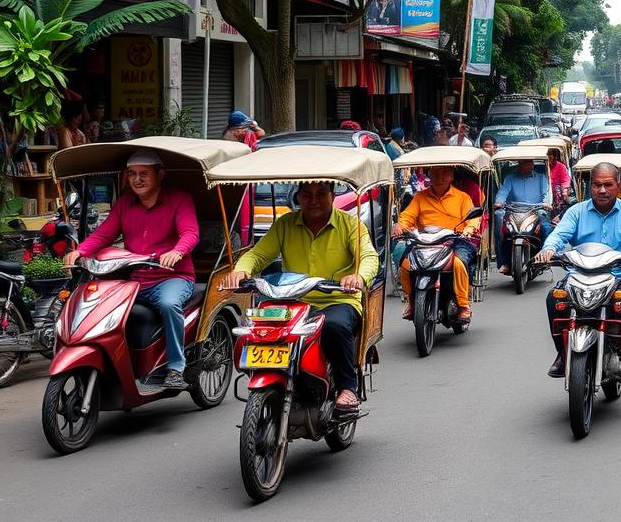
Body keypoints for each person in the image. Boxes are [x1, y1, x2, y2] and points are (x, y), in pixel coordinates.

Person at [224, 182, 377, 413]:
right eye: (307, 194)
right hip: (293, 301)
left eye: (320, 194)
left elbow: (369, 257)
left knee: (334, 326)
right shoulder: (285, 224)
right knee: (260, 325)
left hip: (337, 300)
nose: (313, 200)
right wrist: (241, 270)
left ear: (332, 196)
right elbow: (257, 254)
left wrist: (358, 277)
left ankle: (347, 387)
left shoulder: (351, 225)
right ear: (299, 196)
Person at [63, 150, 199, 390]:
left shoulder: (180, 199)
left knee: (169, 305)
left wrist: (176, 252)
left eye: (144, 174)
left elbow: (190, 233)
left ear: (160, 175)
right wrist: (80, 251)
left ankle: (176, 367)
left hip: (173, 277)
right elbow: (104, 234)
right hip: (136, 280)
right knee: (101, 307)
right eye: (133, 174)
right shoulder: (125, 204)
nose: (137, 180)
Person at [537, 161, 621, 380]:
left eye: (608, 184)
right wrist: (549, 249)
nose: (602, 190)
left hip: (620, 275)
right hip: (579, 275)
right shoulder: (576, 212)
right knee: (553, 299)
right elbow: (559, 234)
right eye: (597, 185)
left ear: (618, 186)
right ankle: (562, 355)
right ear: (590, 187)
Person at [393, 166, 478, 322]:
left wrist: (469, 228)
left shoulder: (462, 197)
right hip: (425, 239)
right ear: (429, 176)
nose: (439, 178)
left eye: (444, 173)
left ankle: (463, 305)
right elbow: (407, 216)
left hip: (455, 240)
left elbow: (472, 218)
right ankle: (411, 302)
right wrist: (401, 226)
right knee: (405, 263)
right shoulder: (420, 197)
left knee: (459, 263)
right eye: (435, 174)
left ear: (451, 176)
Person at [494, 158, 553, 274]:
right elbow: (502, 193)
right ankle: (504, 262)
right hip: (514, 211)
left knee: (547, 228)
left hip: (536, 211)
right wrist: (499, 202)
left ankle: (544, 257)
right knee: (500, 222)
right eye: (523, 163)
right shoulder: (510, 178)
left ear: (532, 164)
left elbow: (546, 194)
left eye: (528, 163)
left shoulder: (541, 178)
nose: (526, 165)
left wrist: (546, 203)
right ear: (519, 164)